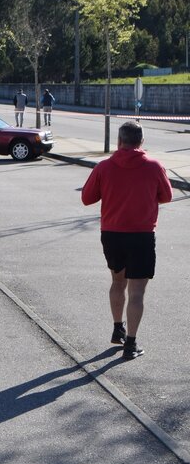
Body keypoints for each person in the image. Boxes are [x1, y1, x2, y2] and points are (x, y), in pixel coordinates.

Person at [81, 121, 172, 360]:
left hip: (111, 234)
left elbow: (87, 198)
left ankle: (116, 327)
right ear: (141, 142)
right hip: (141, 235)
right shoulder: (154, 166)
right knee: (138, 292)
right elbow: (167, 196)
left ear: (119, 141)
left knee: (117, 282)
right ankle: (131, 344)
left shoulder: (104, 167)